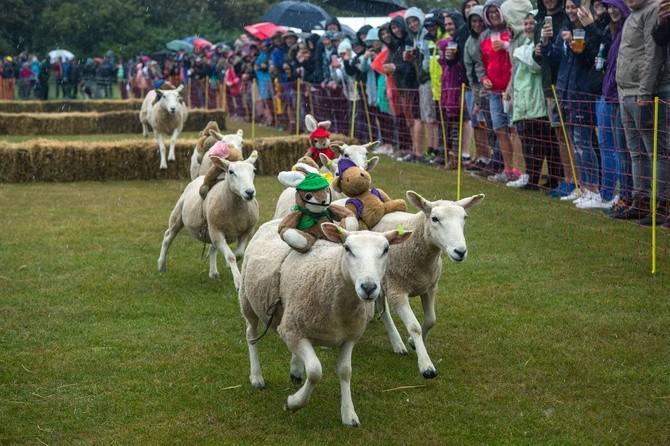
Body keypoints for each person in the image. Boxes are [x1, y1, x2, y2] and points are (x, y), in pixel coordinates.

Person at [615, 0, 669, 222]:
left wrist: (645, 92)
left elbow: (653, 53)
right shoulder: (632, 14)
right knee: (635, 151)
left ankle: (661, 204)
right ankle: (641, 200)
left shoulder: (654, 9)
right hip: (625, 91)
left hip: (641, 91)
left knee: (655, 150)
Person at [510, 11, 558, 190]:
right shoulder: (525, 45)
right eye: (526, 23)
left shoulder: (537, 45)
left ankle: (548, 179)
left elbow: (535, 64)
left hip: (537, 101)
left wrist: (521, 53)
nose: (529, 26)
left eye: (533, 23)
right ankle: (532, 177)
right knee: (529, 143)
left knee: (543, 144)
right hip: (524, 103)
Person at [534, 0, 576, 196]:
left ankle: (580, 181)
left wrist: (550, 43)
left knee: (574, 135)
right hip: (548, 85)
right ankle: (567, 179)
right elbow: (542, 56)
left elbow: (561, 55)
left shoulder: (566, 19)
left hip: (566, 85)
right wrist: (539, 49)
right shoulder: (539, 20)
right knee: (559, 135)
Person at [476, 0, 519, 183]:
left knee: (514, 129)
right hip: (493, 90)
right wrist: (482, 78)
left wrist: (506, 46)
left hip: (511, 89)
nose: (493, 14)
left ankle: (518, 170)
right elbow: (480, 63)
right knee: (500, 129)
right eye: (490, 12)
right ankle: (507, 169)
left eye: (496, 11)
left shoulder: (512, 31)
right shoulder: (484, 36)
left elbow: (518, 53)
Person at [386, 16, 424, 162]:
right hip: (401, 86)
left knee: (414, 119)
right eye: (393, 28)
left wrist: (396, 68)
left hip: (411, 85)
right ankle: (413, 150)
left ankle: (417, 150)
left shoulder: (408, 41)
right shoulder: (397, 44)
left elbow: (409, 67)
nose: (396, 30)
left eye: (397, 27)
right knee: (409, 120)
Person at [464, 5, 496, 174]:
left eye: (479, 20)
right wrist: (477, 97)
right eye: (473, 21)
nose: (477, 24)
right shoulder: (469, 42)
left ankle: (498, 163)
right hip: (480, 88)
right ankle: (490, 161)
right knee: (488, 127)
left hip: (495, 85)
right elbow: (471, 72)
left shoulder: (491, 35)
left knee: (497, 128)